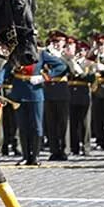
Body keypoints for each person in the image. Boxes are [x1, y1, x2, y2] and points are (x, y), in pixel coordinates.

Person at [0, 47, 67, 166]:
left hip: (35, 93)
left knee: (37, 126)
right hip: (18, 93)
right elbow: (5, 70)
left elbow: (61, 66)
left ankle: (35, 156)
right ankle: (25, 156)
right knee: (22, 126)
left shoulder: (40, 54)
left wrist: (44, 77)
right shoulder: (17, 52)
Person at [43, 31, 70, 161]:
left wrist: (57, 57)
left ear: (64, 43)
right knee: (51, 123)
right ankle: (54, 150)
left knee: (63, 123)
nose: (57, 44)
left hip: (62, 90)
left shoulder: (66, 56)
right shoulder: (46, 55)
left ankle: (64, 149)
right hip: (49, 91)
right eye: (54, 42)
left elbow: (68, 68)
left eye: (59, 42)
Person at [67, 38, 94, 156]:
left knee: (85, 123)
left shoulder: (89, 64)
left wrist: (81, 73)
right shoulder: (71, 61)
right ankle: (74, 147)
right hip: (71, 94)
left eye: (84, 49)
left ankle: (86, 147)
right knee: (73, 122)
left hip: (83, 94)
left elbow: (91, 78)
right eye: (79, 49)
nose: (81, 51)